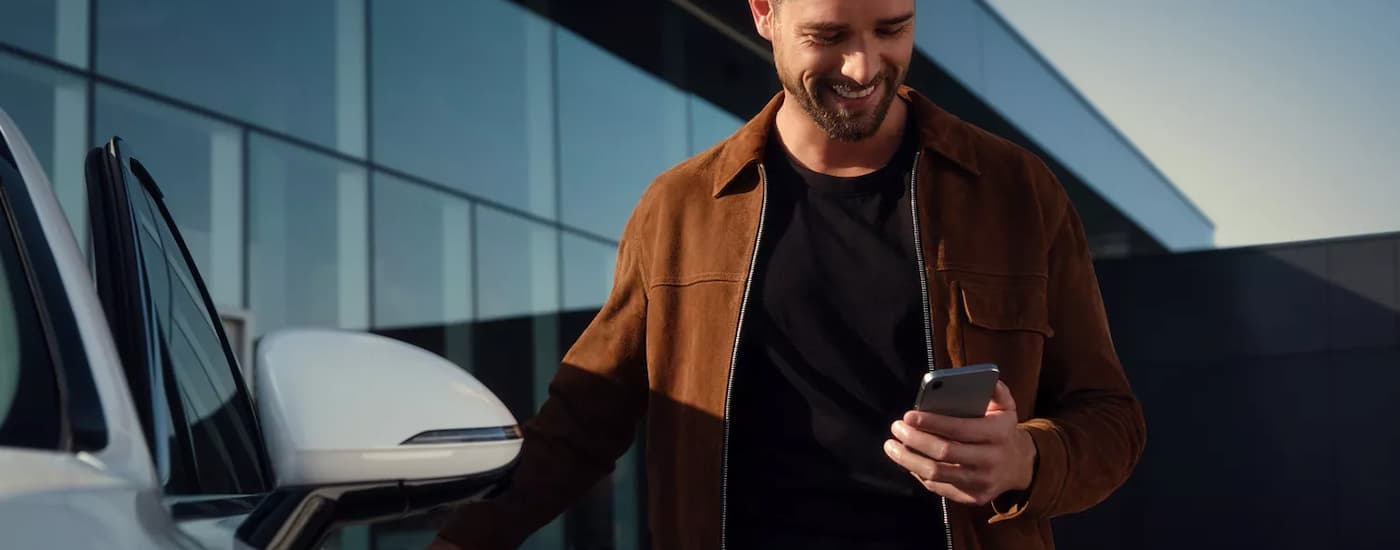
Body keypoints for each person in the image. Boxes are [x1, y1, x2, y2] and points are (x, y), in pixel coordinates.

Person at [431, 0, 1145, 548]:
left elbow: (1111, 420)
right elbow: (579, 427)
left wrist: (1025, 459)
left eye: (892, 28)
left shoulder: (1015, 191)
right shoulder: (680, 209)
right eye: (828, 37)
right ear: (764, 14)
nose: (865, 68)